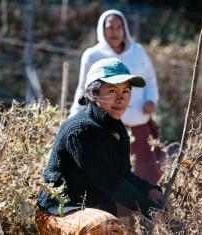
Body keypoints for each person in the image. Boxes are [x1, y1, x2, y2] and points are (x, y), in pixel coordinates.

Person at [36, 58, 171, 234]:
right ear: (93, 93)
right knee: (104, 225)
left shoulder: (116, 128)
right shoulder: (81, 129)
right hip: (60, 213)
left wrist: (148, 191)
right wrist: (150, 210)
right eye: (112, 90)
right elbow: (108, 181)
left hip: (93, 212)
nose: (121, 98)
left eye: (126, 90)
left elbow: (122, 174)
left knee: (107, 224)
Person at [70, 10, 161, 187]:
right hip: (106, 128)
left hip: (138, 124)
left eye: (119, 27)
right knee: (112, 178)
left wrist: (151, 100)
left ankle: (148, 214)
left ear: (125, 29)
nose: (115, 32)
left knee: (146, 177)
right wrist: (74, 120)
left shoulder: (138, 52)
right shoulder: (92, 55)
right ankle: (117, 216)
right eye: (110, 27)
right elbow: (83, 89)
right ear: (102, 30)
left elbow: (150, 80)